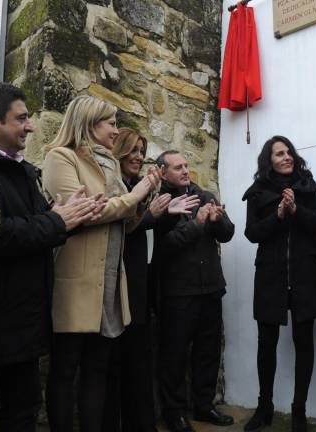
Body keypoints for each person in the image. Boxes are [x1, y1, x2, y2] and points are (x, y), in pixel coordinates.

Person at [0, 81, 104, 431]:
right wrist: (55, 221)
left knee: (23, 412)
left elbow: (39, 226)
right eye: (22, 118)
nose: (31, 126)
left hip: (25, 324)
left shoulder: (23, 169)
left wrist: (71, 217)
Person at [42, 95, 159, 432]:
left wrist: (143, 199)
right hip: (75, 281)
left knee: (97, 369)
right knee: (65, 370)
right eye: (110, 122)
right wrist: (133, 198)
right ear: (89, 124)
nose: (115, 129)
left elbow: (123, 222)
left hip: (109, 282)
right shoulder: (59, 157)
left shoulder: (110, 163)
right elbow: (86, 213)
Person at [102, 129, 200, 432]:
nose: (137, 156)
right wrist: (152, 215)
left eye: (141, 150)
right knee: (112, 368)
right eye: (132, 150)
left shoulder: (143, 189)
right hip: (114, 288)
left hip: (138, 288)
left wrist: (159, 212)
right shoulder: (113, 186)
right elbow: (117, 226)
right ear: (118, 151)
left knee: (139, 365)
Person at [241, 136, 316, 432]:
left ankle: (298, 412)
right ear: (269, 160)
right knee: (266, 344)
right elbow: (252, 233)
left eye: (289, 151)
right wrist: (278, 215)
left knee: (303, 342)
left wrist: (295, 211)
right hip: (270, 276)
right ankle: (264, 407)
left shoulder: (307, 185)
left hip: (305, 275)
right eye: (279, 153)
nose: (286, 156)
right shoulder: (257, 192)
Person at [153, 149, 235, 432]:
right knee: (174, 356)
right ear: (163, 172)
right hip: (178, 292)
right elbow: (163, 248)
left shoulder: (205, 195)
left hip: (210, 287)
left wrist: (218, 219)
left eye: (187, 165)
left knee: (207, 351)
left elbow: (228, 233)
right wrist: (198, 225)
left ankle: (204, 405)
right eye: (178, 167)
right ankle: (174, 412)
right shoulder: (160, 204)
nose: (186, 171)